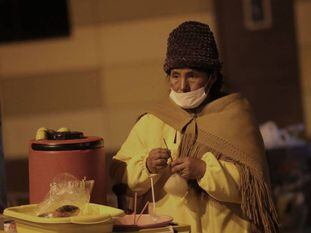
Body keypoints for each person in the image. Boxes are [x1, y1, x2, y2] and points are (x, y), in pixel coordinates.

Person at [111, 21, 278, 233]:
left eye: (192, 75)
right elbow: (119, 172)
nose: (182, 86)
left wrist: (204, 170)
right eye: (175, 75)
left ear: (212, 77)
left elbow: (253, 187)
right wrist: (147, 166)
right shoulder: (153, 121)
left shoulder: (235, 117)